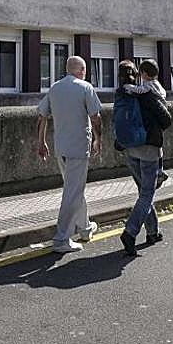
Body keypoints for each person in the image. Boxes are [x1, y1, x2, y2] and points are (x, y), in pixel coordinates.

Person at [36, 55, 103, 253]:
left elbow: (41, 116)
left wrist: (41, 142)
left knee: (74, 189)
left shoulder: (55, 87)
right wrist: (99, 139)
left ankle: (84, 227)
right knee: (72, 192)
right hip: (78, 148)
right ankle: (61, 239)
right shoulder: (85, 87)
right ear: (81, 70)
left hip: (60, 148)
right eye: (85, 70)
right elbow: (96, 117)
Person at [116, 60, 170, 257]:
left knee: (143, 194)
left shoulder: (122, 92)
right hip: (148, 150)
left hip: (130, 149)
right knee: (147, 194)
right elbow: (166, 120)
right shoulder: (147, 93)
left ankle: (153, 232)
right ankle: (130, 233)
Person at [121, 59, 170, 186]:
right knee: (159, 149)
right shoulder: (157, 84)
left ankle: (159, 172)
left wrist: (129, 87)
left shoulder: (149, 85)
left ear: (145, 74)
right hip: (158, 122)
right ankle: (160, 170)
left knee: (146, 187)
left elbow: (141, 91)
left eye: (141, 73)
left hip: (143, 138)